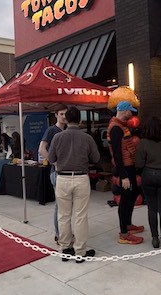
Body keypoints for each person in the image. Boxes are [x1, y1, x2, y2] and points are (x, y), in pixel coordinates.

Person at [48, 106, 100, 263]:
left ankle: (65, 249)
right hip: (81, 178)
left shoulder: (57, 137)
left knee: (63, 215)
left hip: (62, 179)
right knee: (80, 216)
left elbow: (51, 159)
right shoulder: (87, 138)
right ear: (80, 120)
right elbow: (96, 158)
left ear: (66, 119)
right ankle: (80, 251)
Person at [107, 100, 144, 245]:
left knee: (133, 194)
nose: (132, 114)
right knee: (125, 200)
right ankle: (124, 233)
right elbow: (116, 154)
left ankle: (128, 224)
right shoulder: (116, 128)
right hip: (124, 169)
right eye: (130, 111)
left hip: (129, 166)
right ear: (124, 111)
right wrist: (123, 176)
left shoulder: (121, 126)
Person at [135, 116, 161, 249]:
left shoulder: (143, 142)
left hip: (148, 175)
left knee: (152, 208)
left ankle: (154, 238)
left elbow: (138, 164)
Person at [38, 103, 68, 244]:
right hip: (56, 173)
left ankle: (65, 232)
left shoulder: (68, 130)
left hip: (68, 172)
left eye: (65, 114)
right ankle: (58, 233)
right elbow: (41, 149)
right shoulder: (51, 130)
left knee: (66, 205)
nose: (63, 116)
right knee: (60, 205)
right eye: (61, 114)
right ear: (56, 115)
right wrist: (54, 162)